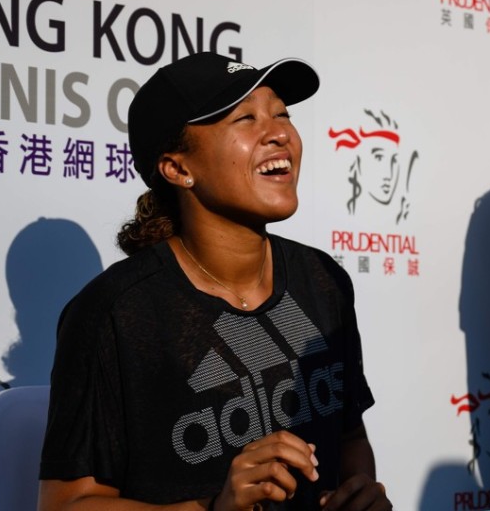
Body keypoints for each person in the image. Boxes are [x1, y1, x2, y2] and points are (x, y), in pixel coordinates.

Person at [39, 52, 392, 511]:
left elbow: (349, 438)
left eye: (282, 114)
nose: (279, 134)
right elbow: (65, 504)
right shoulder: (113, 313)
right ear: (178, 168)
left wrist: (357, 491)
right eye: (245, 119)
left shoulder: (324, 281)